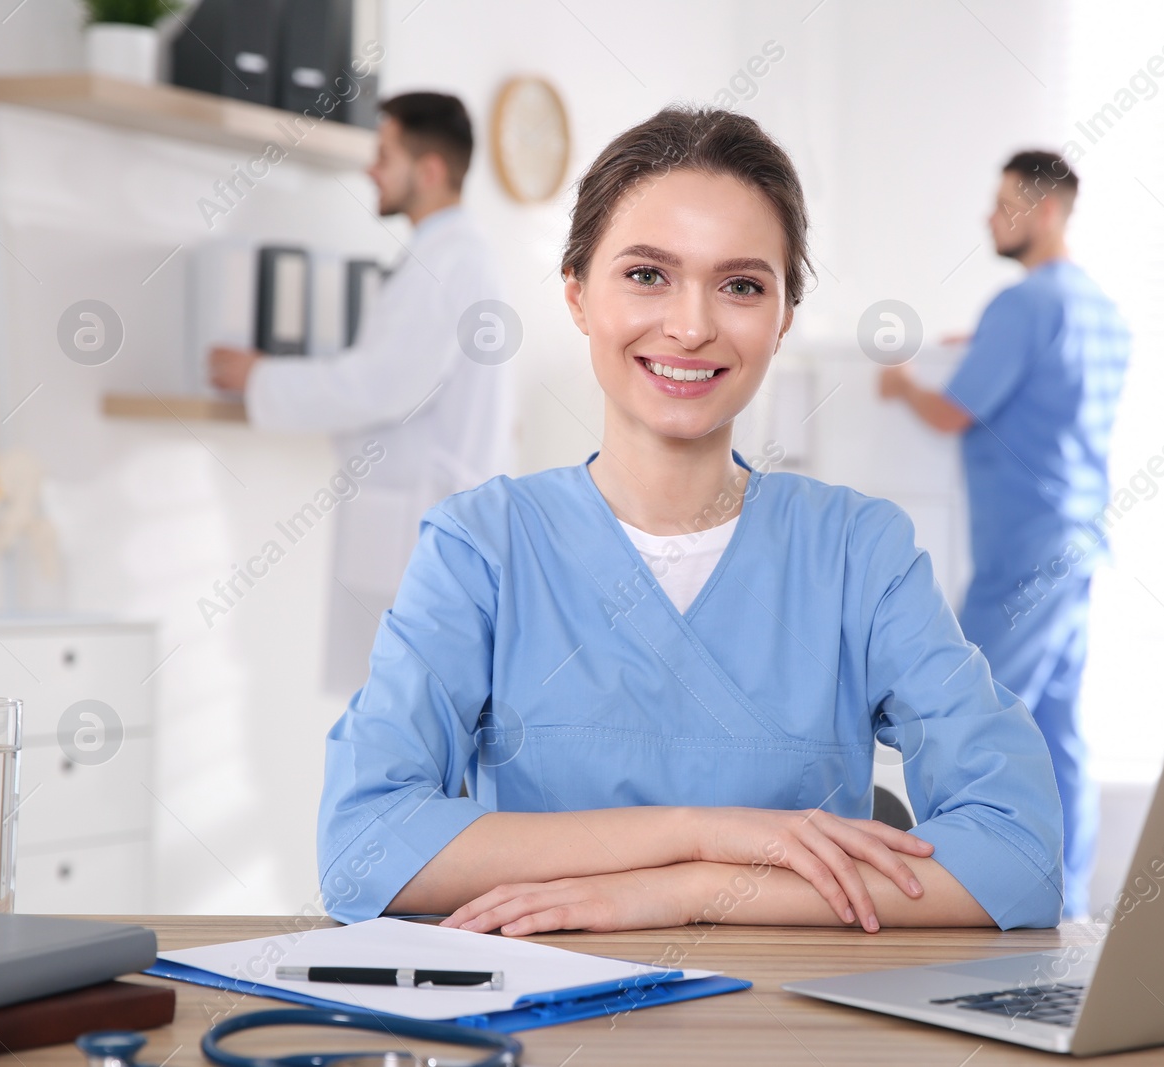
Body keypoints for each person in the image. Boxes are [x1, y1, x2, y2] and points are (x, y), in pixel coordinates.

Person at [317, 109, 1064, 935]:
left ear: (782, 318)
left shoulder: (858, 553)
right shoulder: (482, 548)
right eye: (647, 274)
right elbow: (362, 847)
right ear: (577, 294)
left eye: (742, 285)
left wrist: (687, 890)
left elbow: (1020, 856)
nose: (691, 325)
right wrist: (697, 832)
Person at [878, 151, 1131, 919]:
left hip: (1022, 554)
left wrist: (902, 383)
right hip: (1078, 542)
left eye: (1005, 202)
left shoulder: (1020, 307)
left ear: (1045, 209)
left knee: (968, 712)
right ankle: (1068, 900)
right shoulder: (1098, 309)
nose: (992, 217)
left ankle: (967, 894)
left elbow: (955, 412)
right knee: (1057, 730)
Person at [209, 91, 513, 696]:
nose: (370, 168)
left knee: (411, 729)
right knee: (397, 721)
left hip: (420, 531)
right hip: (408, 523)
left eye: (384, 153)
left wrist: (261, 378)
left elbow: (382, 384)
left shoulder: (451, 262)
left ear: (428, 171)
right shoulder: (442, 257)